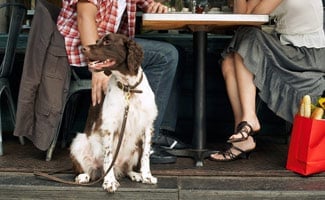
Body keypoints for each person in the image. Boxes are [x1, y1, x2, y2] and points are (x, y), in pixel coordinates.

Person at [57, 0, 186, 164]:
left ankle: (158, 132)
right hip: (82, 52)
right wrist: (98, 66)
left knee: (178, 53)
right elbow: (84, 17)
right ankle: (145, 143)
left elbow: (144, 2)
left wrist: (154, 6)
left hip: (110, 51)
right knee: (166, 56)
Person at [210, 0, 325, 161]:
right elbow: (243, 16)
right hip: (288, 47)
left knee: (247, 36)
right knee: (229, 60)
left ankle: (249, 119)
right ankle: (243, 135)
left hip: (306, 55)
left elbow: (252, 18)